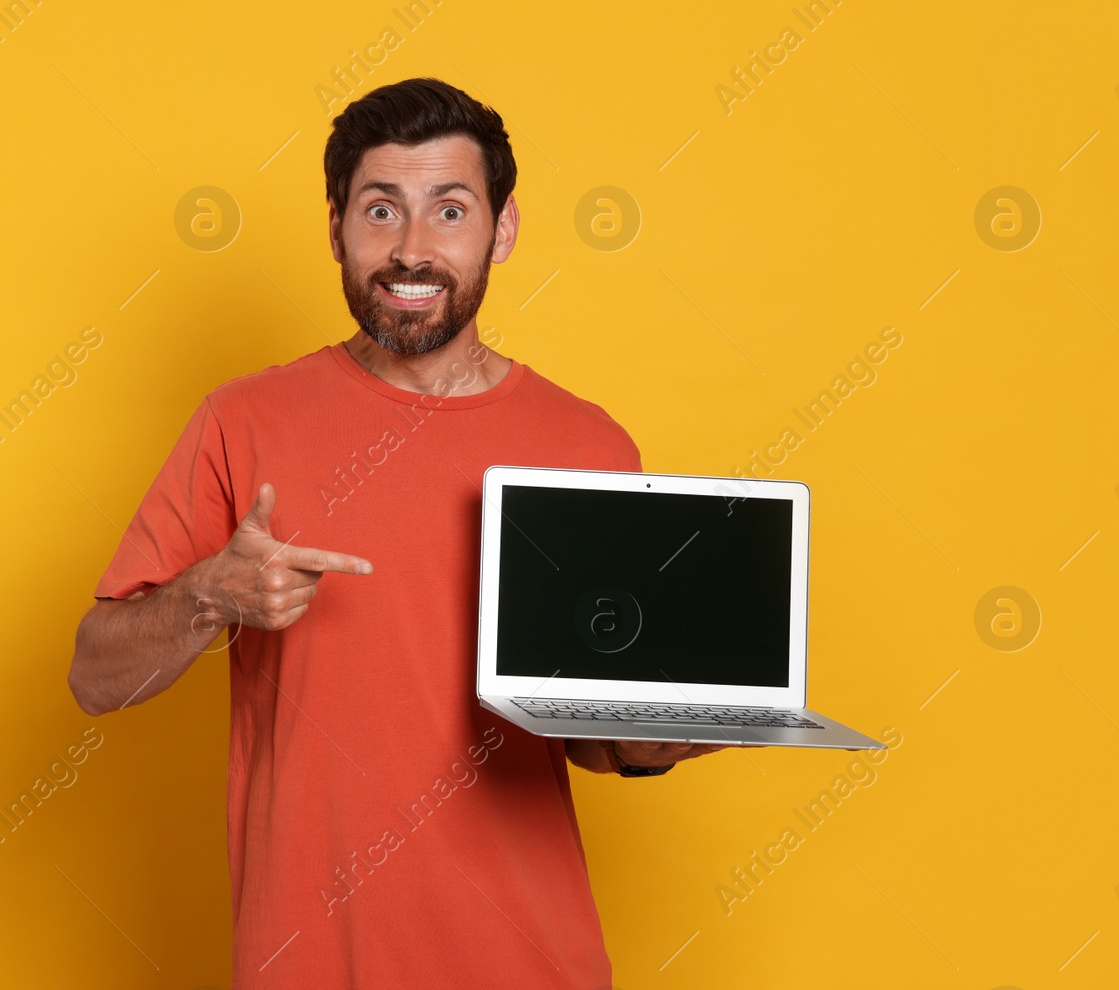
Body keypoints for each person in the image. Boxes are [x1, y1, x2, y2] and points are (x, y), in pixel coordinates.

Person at [67, 77, 725, 988]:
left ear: (502, 230)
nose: (412, 248)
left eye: (449, 210)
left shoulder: (586, 445)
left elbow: (593, 736)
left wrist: (667, 735)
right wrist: (205, 596)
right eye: (381, 210)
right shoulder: (243, 421)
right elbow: (94, 677)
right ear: (335, 227)